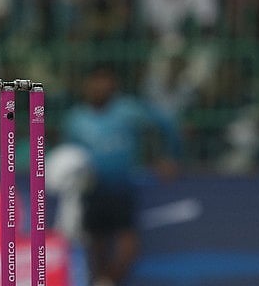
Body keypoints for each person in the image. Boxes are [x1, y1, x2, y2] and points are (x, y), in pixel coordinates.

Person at [61, 64, 182, 286]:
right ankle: (102, 279)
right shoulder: (76, 119)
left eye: (105, 81)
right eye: (95, 81)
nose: (100, 86)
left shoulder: (128, 111)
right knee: (96, 242)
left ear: (113, 84)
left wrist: (167, 157)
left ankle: (109, 280)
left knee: (128, 240)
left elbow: (164, 125)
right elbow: (69, 155)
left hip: (121, 187)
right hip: (91, 189)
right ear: (86, 85)